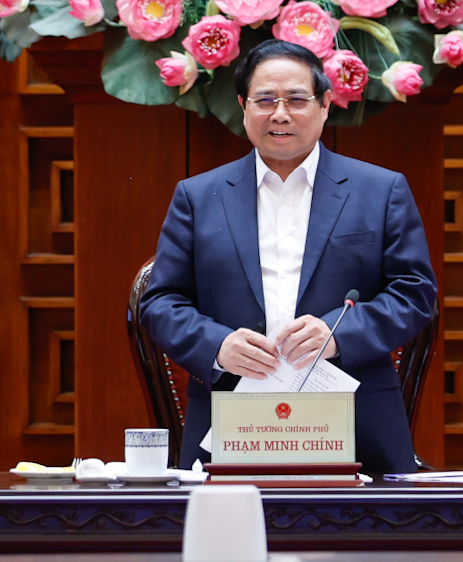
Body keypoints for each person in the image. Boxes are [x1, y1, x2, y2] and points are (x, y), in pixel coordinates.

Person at [140, 39, 435, 473]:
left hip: (355, 422)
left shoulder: (380, 191)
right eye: (264, 100)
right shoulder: (198, 197)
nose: (280, 114)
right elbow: (160, 303)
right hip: (233, 417)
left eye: (297, 100)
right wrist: (218, 345)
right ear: (243, 107)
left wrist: (339, 334)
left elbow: (415, 294)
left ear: (325, 104)